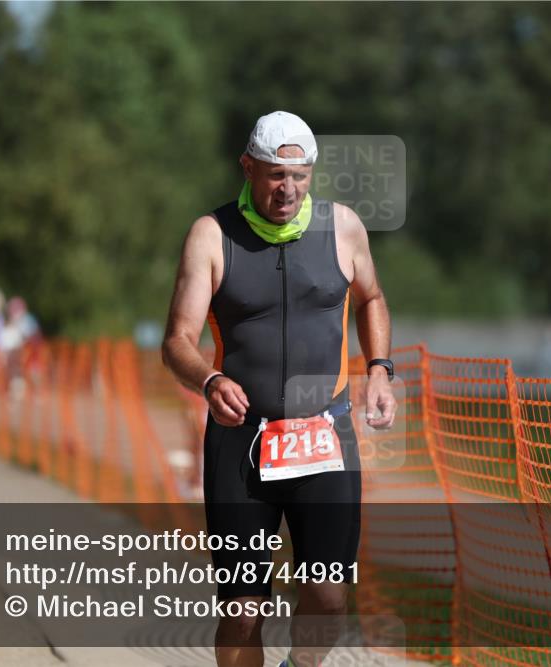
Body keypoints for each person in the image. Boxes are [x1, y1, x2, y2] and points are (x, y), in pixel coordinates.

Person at [162, 110, 397, 667]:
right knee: (243, 609)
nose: (287, 189)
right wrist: (209, 378)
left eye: (299, 175)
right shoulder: (212, 235)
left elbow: (371, 298)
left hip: (325, 435)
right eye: (273, 175)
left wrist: (380, 368)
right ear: (247, 167)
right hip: (242, 441)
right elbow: (176, 339)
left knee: (328, 595)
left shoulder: (343, 227)